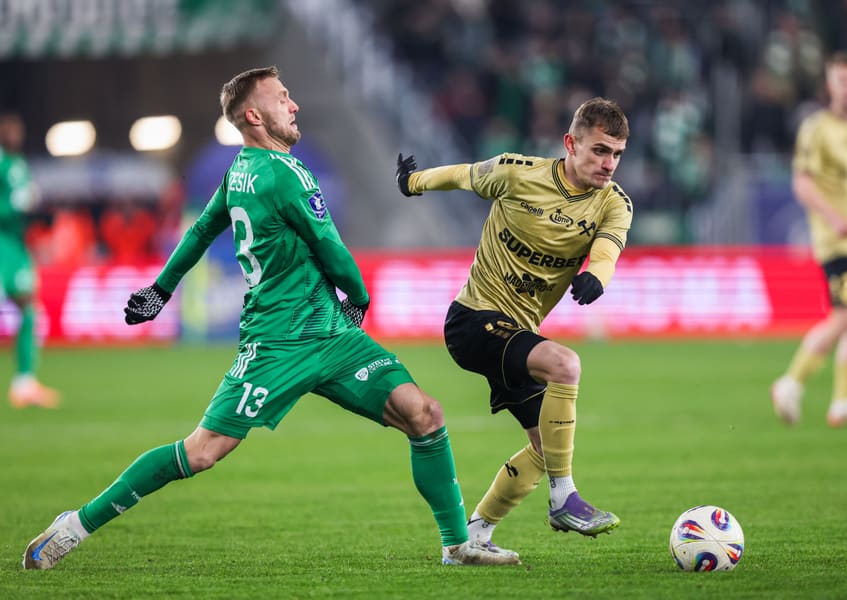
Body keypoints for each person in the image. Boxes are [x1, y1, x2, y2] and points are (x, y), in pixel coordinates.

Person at [22, 66, 520, 570]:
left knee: (423, 413)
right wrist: (360, 295)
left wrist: (161, 289)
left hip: (329, 333)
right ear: (255, 115)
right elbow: (331, 247)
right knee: (201, 452)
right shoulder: (285, 173)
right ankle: (75, 525)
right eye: (283, 98)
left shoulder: (240, 171)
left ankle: (458, 545)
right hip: (278, 341)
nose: (294, 105)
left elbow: (199, 232)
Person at [395, 97, 633, 556]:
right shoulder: (517, 172)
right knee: (565, 363)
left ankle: (471, 539)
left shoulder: (614, 204)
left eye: (617, 153)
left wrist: (597, 276)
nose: (609, 164)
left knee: (546, 446)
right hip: (473, 321)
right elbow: (464, 175)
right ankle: (565, 497)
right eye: (600, 150)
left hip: (514, 335)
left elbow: (607, 251)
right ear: (570, 143)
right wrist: (412, 182)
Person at [771, 51, 847, 428]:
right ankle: (791, 383)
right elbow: (802, 183)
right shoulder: (817, 128)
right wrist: (834, 219)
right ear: (830, 85)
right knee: (845, 315)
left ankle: (844, 404)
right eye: (841, 82)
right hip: (837, 241)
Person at [0, 111, 60, 409]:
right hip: (3, 243)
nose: (14, 134)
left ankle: (24, 382)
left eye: (17, 129)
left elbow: (23, 203)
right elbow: (11, 205)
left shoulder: (19, 164)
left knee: (29, 308)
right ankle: (23, 382)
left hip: (16, 245)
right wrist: (15, 208)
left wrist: (37, 214)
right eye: (8, 129)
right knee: (27, 305)